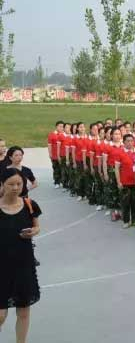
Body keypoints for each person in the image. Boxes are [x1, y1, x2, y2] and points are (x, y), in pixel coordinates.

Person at [0, 168, 41, 343]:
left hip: (24, 264)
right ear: (2, 185)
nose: (16, 187)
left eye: (19, 184)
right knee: (1, 315)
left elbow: (37, 226)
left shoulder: (29, 204)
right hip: (1, 266)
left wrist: (33, 231)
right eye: (11, 184)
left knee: (23, 311)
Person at [114, 134, 135, 229]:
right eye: (128, 141)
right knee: (125, 203)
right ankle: (126, 221)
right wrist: (118, 182)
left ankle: (134, 220)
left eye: (131, 141)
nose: (130, 143)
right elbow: (116, 169)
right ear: (124, 142)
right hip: (125, 182)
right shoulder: (120, 153)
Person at [47, 121, 64, 188]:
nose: (61, 128)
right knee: (56, 168)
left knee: (62, 169)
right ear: (56, 127)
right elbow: (49, 145)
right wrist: (50, 154)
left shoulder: (64, 135)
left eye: (62, 126)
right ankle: (57, 182)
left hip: (62, 155)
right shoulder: (52, 135)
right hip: (54, 155)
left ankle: (63, 181)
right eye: (60, 126)